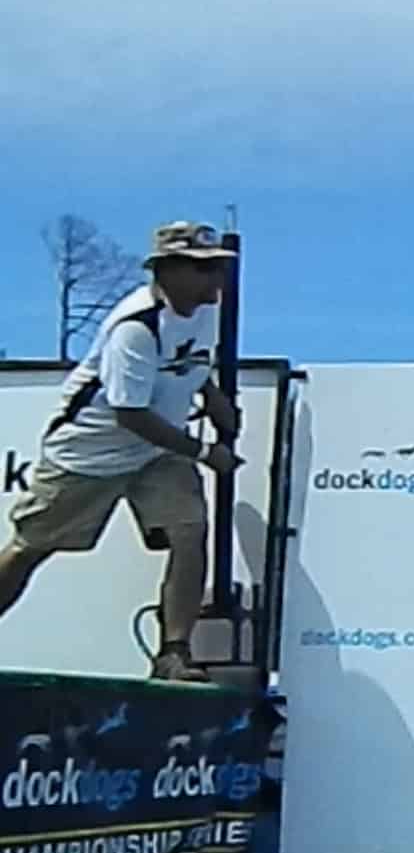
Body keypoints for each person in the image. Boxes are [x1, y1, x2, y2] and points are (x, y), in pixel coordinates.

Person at [0, 221, 242, 678]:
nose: (216, 280)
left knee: (190, 534)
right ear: (167, 271)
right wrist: (206, 452)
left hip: (158, 451)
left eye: (219, 269)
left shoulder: (208, 311)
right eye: (203, 269)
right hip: (92, 454)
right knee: (31, 545)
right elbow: (130, 415)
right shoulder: (135, 327)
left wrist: (211, 396)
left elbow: (190, 358)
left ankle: (173, 654)